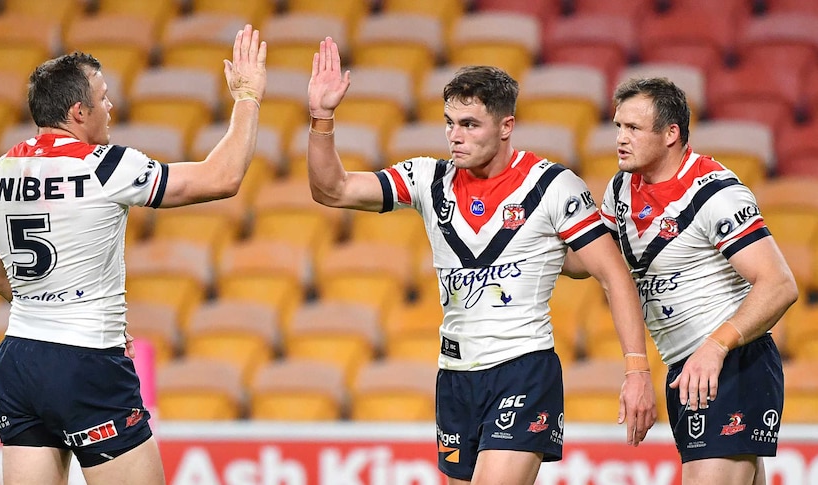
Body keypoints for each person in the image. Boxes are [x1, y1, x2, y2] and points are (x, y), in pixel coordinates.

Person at [307, 37, 656, 484]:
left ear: (506, 125)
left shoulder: (550, 186)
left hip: (522, 370)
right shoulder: (427, 179)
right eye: (450, 123)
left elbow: (613, 275)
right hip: (454, 376)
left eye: (470, 124)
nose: (455, 136)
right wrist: (322, 117)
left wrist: (636, 370)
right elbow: (331, 190)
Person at [0, 25, 266, 485]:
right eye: (104, 97)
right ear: (78, 111)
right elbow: (222, 177)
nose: (111, 107)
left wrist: (51, 317)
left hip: (17, 363)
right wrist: (248, 96)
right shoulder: (105, 165)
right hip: (85, 362)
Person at [588, 77, 798, 484]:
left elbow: (779, 283)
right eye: (617, 126)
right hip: (686, 369)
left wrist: (716, 347)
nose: (620, 138)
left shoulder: (715, 192)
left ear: (671, 134)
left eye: (633, 128)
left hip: (732, 363)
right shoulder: (620, 189)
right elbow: (597, 263)